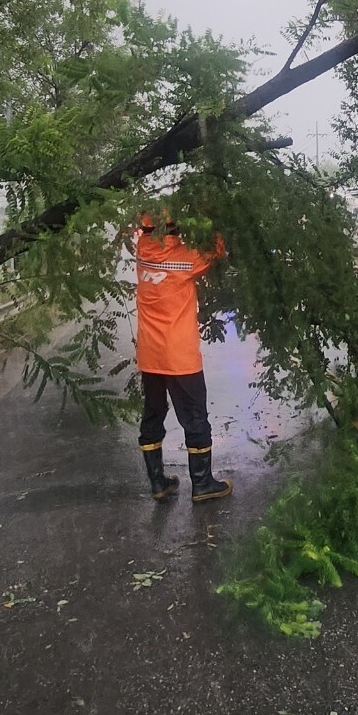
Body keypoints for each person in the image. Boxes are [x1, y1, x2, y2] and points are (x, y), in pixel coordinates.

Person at [130, 215, 232, 504]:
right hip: (179, 356)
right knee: (195, 417)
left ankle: (158, 482)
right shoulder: (185, 257)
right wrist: (207, 212)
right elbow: (217, 249)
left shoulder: (142, 252)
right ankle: (202, 484)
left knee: (153, 414)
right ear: (176, 228)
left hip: (150, 355)